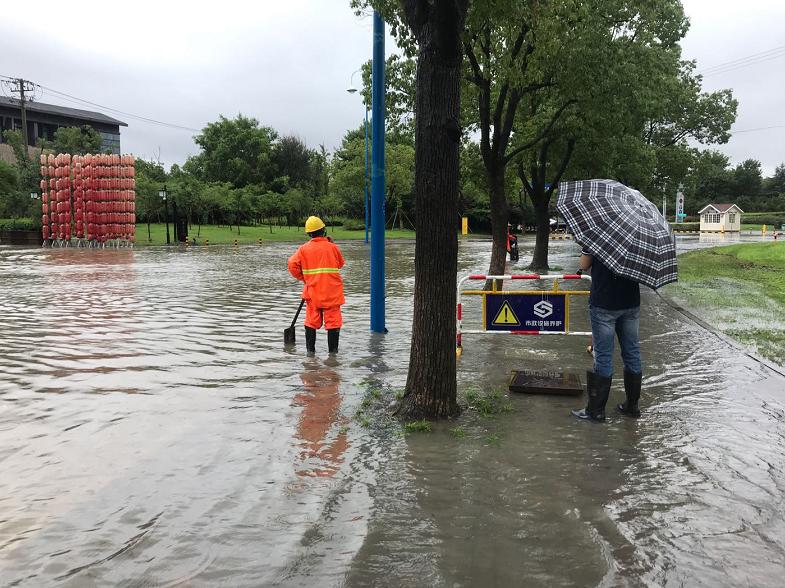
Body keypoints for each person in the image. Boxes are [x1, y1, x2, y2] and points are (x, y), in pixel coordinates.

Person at [572, 248, 642, 422]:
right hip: (631, 301)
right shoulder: (638, 237)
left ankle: (596, 411)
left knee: (603, 355)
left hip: (604, 303)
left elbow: (584, 264)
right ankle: (632, 406)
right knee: (632, 352)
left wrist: (587, 248)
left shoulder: (600, 234)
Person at [288, 216, 345, 354]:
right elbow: (340, 263)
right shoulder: (332, 247)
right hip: (332, 293)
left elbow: (292, 265)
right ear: (323, 230)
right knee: (333, 323)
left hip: (313, 291)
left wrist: (306, 279)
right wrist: (330, 244)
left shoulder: (303, 249)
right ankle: (333, 355)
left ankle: (310, 354)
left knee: (311, 322)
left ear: (309, 233)